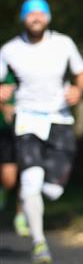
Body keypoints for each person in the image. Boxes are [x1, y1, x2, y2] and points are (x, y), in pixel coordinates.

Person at [0, 0, 83, 264]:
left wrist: (79, 90)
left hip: (59, 120)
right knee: (31, 180)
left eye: (41, 13)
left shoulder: (63, 44)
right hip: (27, 119)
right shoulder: (10, 49)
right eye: (31, 14)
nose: (36, 18)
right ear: (23, 19)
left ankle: (34, 199)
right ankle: (39, 243)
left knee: (52, 189)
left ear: (48, 18)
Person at [0, 71, 30, 237]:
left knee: (28, 175)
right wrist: (4, 107)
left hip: (30, 130)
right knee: (9, 179)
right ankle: (4, 189)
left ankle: (21, 217)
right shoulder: (4, 69)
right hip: (6, 131)